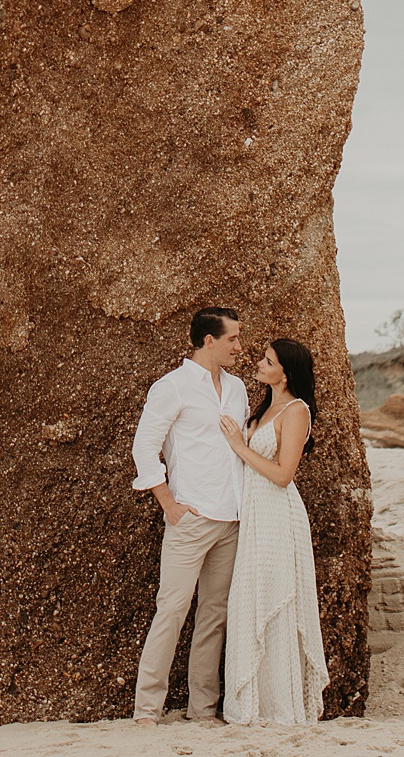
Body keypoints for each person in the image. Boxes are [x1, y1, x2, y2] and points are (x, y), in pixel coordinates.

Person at [129, 307, 249, 726]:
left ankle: (203, 710)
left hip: (232, 517)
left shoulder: (237, 390)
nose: (239, 345)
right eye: (232, 338)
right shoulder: (172, 386)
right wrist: (169, 504)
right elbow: (144, 447)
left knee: (214, 614)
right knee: (172, 609)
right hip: (190, 517)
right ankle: (147, 709)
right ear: (208, 341)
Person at [217, 337, 330, 725]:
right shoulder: (265, 407)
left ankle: (279, 709)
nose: (260, 364)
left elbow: (283, 475)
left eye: (268, 361)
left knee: (274, 604)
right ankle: (252, 705)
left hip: (277, 518)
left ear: (286, 373)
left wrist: (239, 446)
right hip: (253, 516)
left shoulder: (296, 411)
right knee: (248, 601)